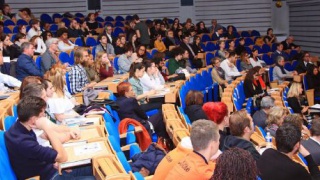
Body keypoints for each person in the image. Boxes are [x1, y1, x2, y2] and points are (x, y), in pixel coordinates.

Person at [5, 96, 94, 180]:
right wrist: (46, 127)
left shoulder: (19, 127)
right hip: (48, 177)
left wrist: (53, 162)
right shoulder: (24, 142)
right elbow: (63, 157)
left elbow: (37, 155)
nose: (44, 116)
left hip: (50, 168)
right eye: (42, 114)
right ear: (33, 120)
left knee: (93, 167)